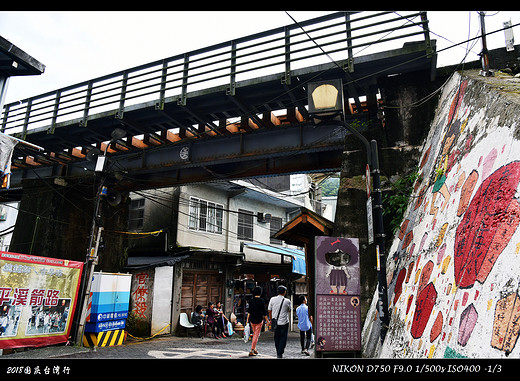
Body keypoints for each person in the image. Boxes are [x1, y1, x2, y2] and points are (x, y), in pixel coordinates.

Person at [268, 285, 292, 358]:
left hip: (275, 322)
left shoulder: (272, 299)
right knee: (283, 337)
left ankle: (278, 350)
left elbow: (269, 310)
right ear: (284, 292)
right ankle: (280, 352)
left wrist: (271, 319)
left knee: (276, 337)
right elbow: (290, 310)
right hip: (284, 322)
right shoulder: (287, 301)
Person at [246, 286, 269, 356]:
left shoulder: (251, 301)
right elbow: (264, 312)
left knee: (255, 333)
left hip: (252, 319)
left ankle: (254, 348)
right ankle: (252, 350)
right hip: (259, 319)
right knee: (256, 334)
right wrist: (267, 320)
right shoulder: (262, 301)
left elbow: (249, 311)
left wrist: (247, 320)